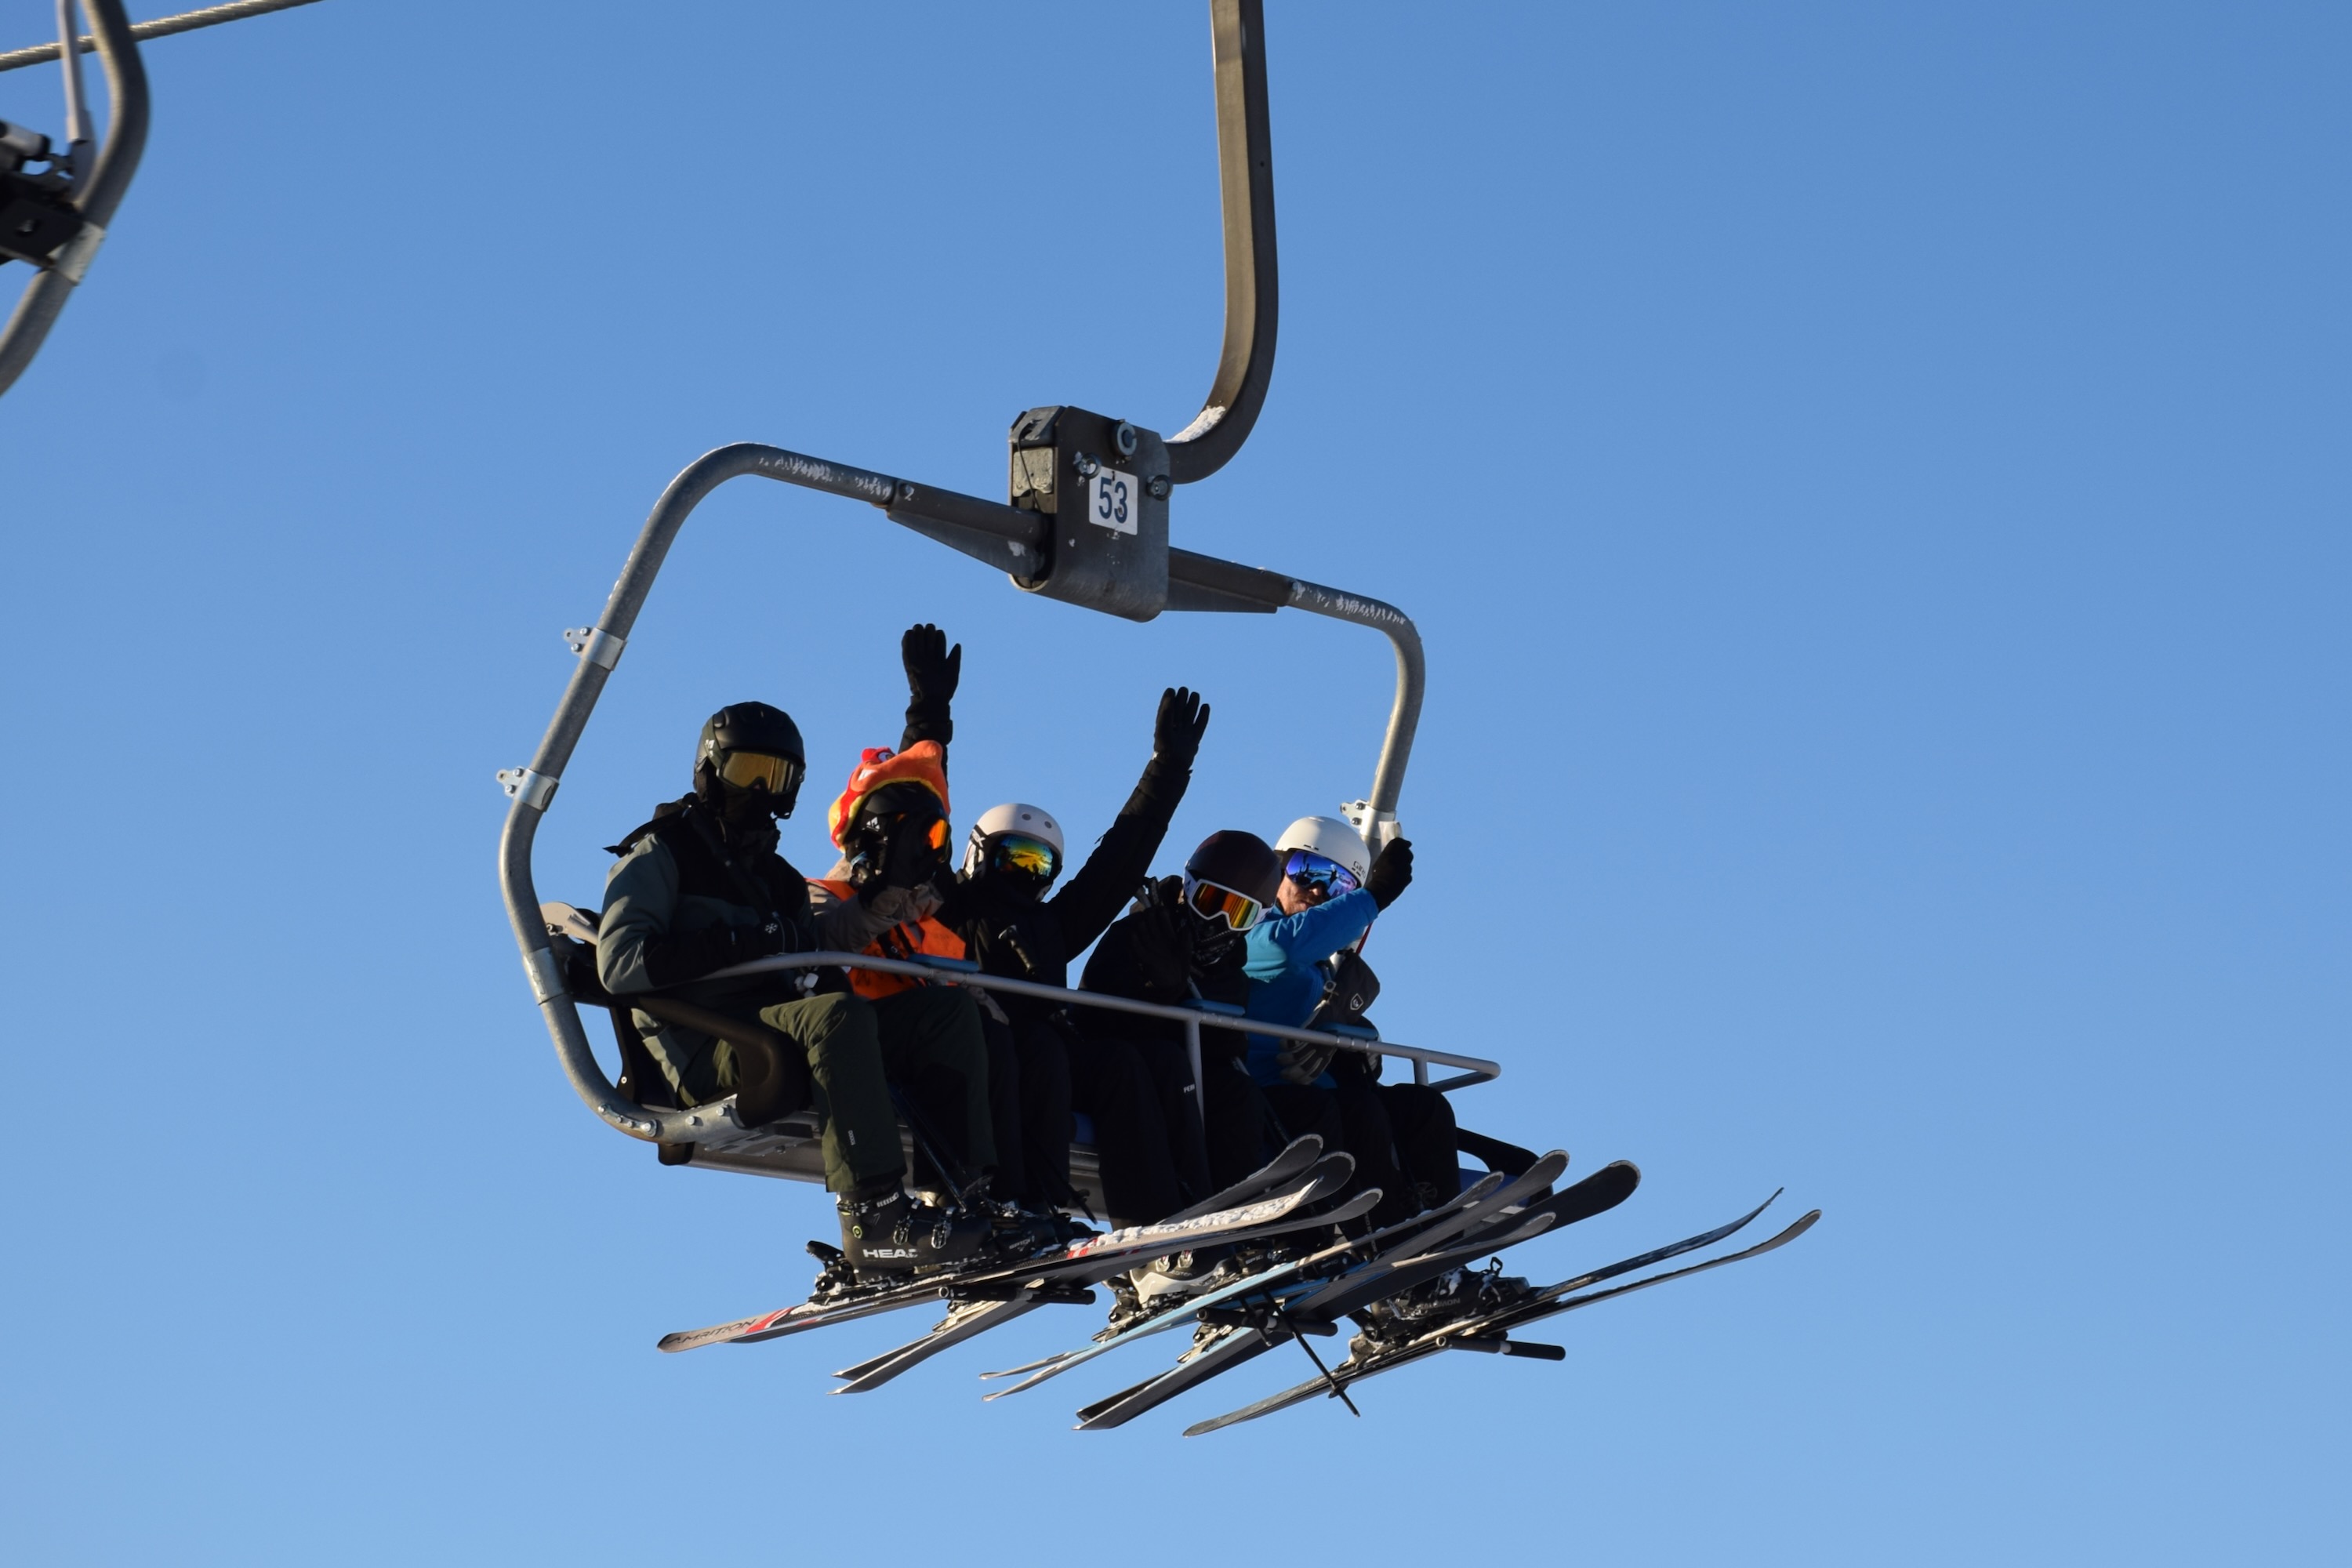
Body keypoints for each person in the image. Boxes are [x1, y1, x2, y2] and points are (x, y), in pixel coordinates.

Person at [593, 626, 999, 1279]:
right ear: (708, 771)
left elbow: (825, 934)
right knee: (835, 1014)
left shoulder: (775, 876)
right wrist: (743, 943)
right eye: (747, 773)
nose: (760, 793)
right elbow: (621, 965)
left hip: (778, 1026)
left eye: (776, 778)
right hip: (709, 1042)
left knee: (944, 1016)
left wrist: (888, 894)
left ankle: (966, 1195)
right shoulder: (663, 854)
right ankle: (874, 1216)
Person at [931, 688, 1212, 1228]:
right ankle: (1012, 1206)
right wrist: (931, 716)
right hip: (976, 1050)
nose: (1024, 875)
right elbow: (922, 811)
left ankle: (1160, 1225)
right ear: (977, 853)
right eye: (1014, 857)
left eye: (1039, 866)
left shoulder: (1052, 928)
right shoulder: (949, 906)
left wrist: (1168, 770)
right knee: (1032, 1046)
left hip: (1045, 1061)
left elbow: (1118, 863)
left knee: (1128, 1062)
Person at [1243, 815, 1457, 1227]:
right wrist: (1371, 897)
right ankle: (1379, 1237)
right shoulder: (1249, 934)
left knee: (1423, 1108)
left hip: (1320, 1095)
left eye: (1339, 883)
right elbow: (1287, 948)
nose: (1319, 889)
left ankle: (1438, 1236)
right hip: (1259, 1095)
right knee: (1357, 1110)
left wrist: (1357, 1052)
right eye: (1307, 871)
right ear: (1277, 870)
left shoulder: (1324, 973)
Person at [1080, 829, 1290, 1196]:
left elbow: (1227, 1054)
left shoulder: (1229, 975)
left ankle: (1240, 1213)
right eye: (1211, 902)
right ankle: (1187, 1200)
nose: (1222, 922)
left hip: (1180, 1080)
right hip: (1115, 1070)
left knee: (1238, 1090)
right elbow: (1093, 1019)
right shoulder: (1138, 936)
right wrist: (1158, 993)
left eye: (1239, 914)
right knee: (1170, 1063)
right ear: (1189, 890)